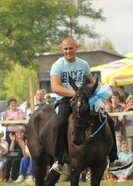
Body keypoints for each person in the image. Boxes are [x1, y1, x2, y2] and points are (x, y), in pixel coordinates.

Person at [49, 37, 116, 175]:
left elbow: (90, 81)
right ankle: (58, 161)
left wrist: (93, 90)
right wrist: (75, 93)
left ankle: (113, 158)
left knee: (107, 119)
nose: (68, 51)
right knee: (59, 124)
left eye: (70, 48)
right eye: (65, 49)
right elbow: (55, 87)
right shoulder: (58, 65)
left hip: (84, 100)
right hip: (66, 99)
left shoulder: (83, 64)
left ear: (76, 48)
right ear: (63, 50)